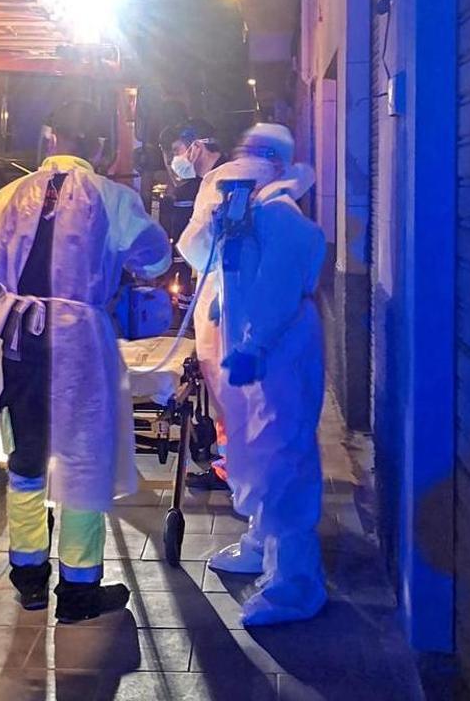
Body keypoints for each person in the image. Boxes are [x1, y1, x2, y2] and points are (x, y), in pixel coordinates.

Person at [0, 100, 171, 622]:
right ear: (101, 148)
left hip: (21, 338)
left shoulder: (8, 195)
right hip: (82, 342)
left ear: (50, 138)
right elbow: (154, 259)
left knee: (27, 455)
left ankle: (29, 577)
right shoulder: (113, 198)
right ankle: (80, 586)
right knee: (83, 458)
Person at [178, 122, 327, 626]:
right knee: (252, 449)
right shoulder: (248, 214)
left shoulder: (281, 214)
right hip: (252, 353)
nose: (245, 161)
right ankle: (261, 546)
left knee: (282, 456)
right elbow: (207, 259)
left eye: (257, 153)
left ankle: (295, 586)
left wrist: (254, 343)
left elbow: (280, 286)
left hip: (278, 353)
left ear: (276, 163)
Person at [165, 121, 229, 490]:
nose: (175, 160)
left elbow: (199, 242)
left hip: (223, 301)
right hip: (214, 296)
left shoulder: (221, 183)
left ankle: (232, 471)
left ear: (195, 146)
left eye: (176, 150)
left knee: (225, 390)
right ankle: (228, 466)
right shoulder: (210, 184)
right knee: (220, 390)